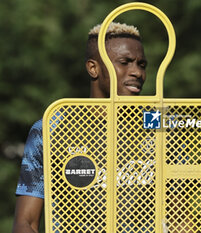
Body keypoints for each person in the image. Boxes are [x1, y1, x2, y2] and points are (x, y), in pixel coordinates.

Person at [12, 22, 147, 233]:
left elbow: (180, 219)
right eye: (125, 62)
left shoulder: (161, 130)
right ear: (93, 68)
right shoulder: (51, 130)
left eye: (141, 64)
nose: (137, 72)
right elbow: (25, 222)